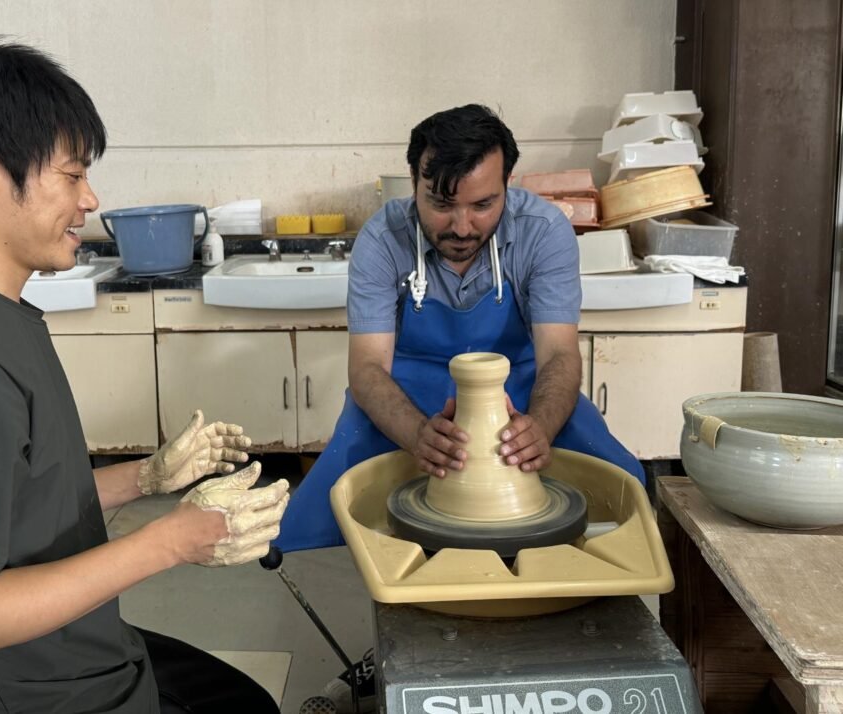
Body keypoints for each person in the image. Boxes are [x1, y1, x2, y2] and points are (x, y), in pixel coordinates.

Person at [0, 39, 288, 714]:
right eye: (72, 174)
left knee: (241, 700)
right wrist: (170, 539)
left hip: (70, 653)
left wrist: (146, 479)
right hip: (27, 693)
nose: (90, 199)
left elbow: (19, 506)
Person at [274, 104, 645, 713]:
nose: (463, 225)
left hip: (524, 387)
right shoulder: (382, 239)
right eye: (441, 204)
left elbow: (559, 356)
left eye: (482, 204)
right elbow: (367, 369)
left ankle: (562, 623)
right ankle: (402, 625)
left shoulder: (543, 230)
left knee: (625, 486)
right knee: (335, 494)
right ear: (414, 185)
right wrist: (418, 435)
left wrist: (541, 427)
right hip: (411, 390)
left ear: (507, 188)